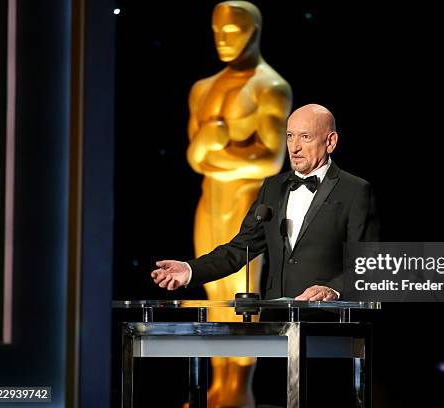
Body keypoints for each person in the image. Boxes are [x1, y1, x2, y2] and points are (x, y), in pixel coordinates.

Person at [179, 1, 291, 406]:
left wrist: (213, 148)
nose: (224, 41)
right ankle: (219, 379)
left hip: (248, 199)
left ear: (254, 31)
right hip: (212, 198)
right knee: (210, 286)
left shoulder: (270, 87)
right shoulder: (203, 89)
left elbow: (271, 160)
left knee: (243, 289)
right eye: (218, 32)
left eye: (234, 32)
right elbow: (194, 157)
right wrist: (217, 147)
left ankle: (240, 383)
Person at [152, 103, 380, 300]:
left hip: (327, 323)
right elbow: (241, 248)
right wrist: (190, 270)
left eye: (305, 137)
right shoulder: (272, 188)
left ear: (330, 142)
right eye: (290, 136)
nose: (294, 147)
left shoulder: (354, 191)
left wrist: (333, 289)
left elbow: (369, 264)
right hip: (275, 324)